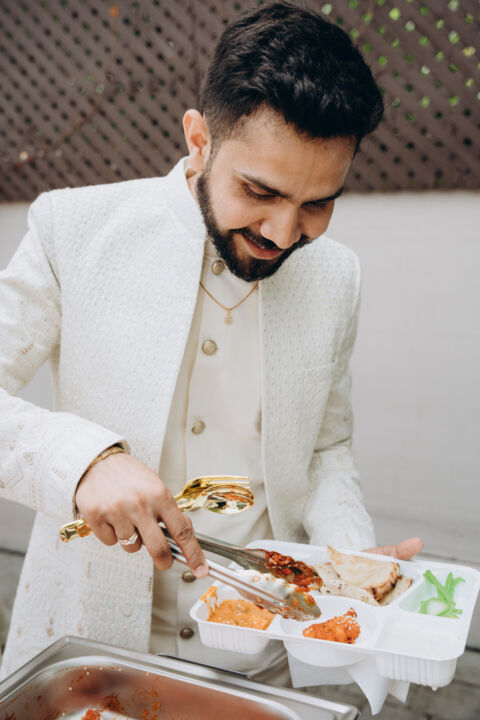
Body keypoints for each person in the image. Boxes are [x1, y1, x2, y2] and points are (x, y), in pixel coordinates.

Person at [0, 2, 422, 681]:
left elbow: (325, 448)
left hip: (265, 660)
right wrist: (81, 463)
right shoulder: (71, 230)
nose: (283, 233)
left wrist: (351, 558)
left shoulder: (337, 276)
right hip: (92, 649)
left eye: (318, 203)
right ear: (199, 139)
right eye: (259, 191)